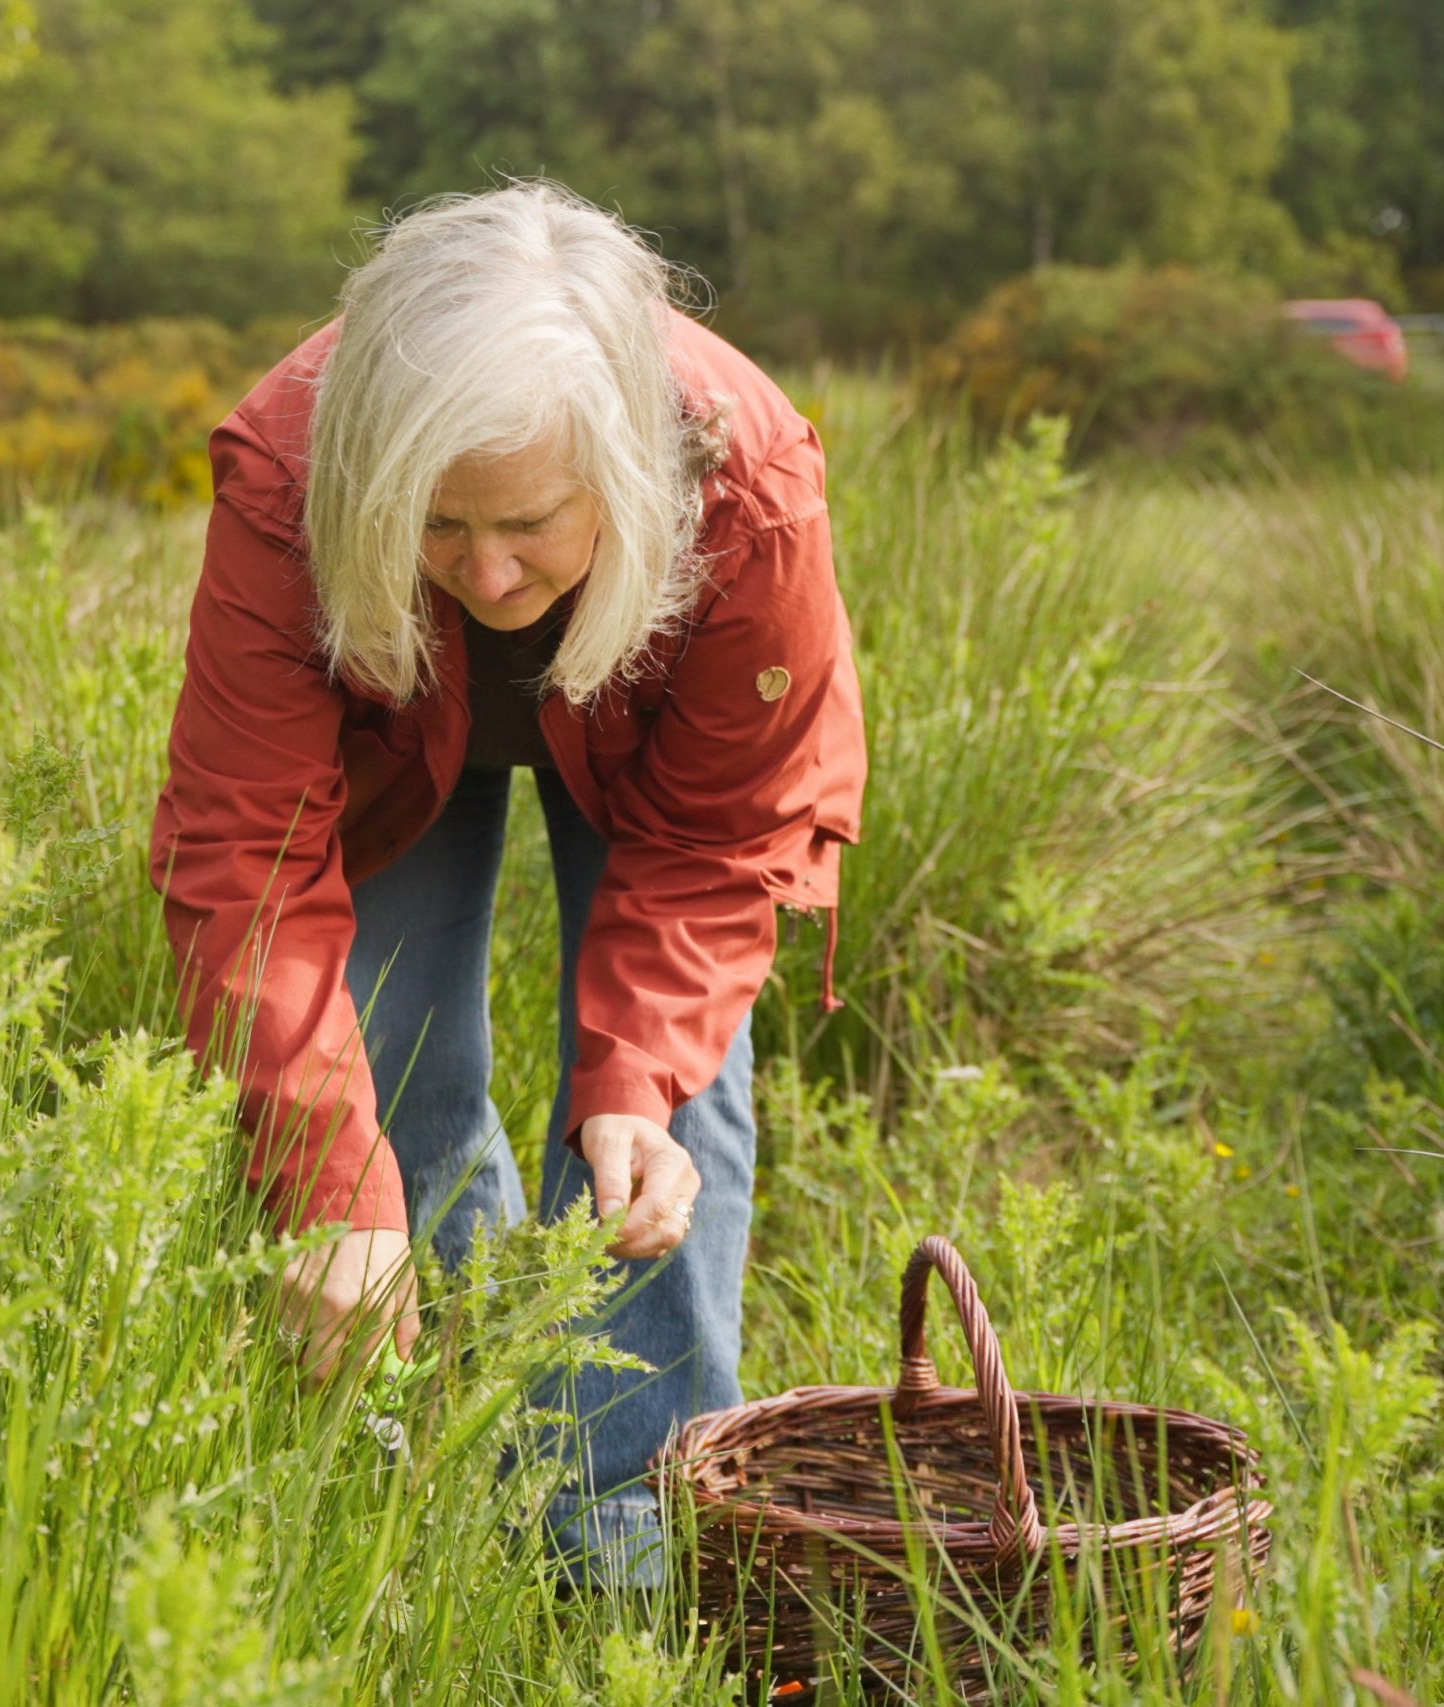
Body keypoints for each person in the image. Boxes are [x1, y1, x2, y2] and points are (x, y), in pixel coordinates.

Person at [146, 181, 867, 1585]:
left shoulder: (746, 485)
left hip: (656, 745)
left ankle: (626, 1528)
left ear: (626, 470)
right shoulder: (290, 472)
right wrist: (331, 1195)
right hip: (388, 724)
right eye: (436, 524)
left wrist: (633, 1078)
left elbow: (718, 841)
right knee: (388, 1062)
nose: (485, 573)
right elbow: (246, 854)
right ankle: (459, 1435)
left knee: (658, 1121)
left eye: (530, 521)